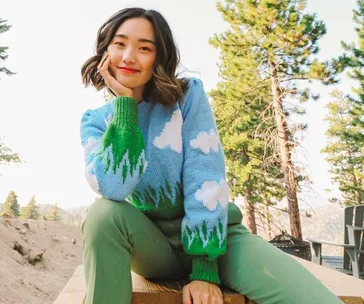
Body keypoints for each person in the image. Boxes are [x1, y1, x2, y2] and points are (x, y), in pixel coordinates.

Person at [79, 7, 343, 304]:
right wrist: (125, 109)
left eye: (144, 48)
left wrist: (204, 270)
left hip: (219, 242)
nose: (129, 56)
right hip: (154, 247)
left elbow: (204, 174)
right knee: (102, 214)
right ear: (104, 53)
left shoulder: (187, 97)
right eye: (119, 44)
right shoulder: (96, 121)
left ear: (159, 58)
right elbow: (113, 187)